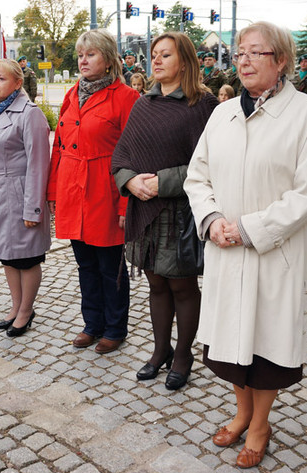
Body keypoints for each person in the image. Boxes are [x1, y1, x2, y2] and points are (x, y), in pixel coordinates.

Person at [183, 21, 307, 469]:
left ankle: (260, 422)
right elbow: (197, 174)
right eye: (239, 53)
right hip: (225, 249)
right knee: (230, 342)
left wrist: (248, 229)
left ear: (280, 60)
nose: (243, 60)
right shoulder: (222, 113)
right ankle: (241, 410)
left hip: (274, 253)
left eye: (255, 53)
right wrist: (210, 220)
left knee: (266, 346)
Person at [112, 31, 219, 390]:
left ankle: (185, 354)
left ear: (185, 62)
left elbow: (212, 164)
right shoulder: (144, 104)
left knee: (183, 286)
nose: (156, 61)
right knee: (156, 285)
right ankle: (161, 351)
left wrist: (164, 182)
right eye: (154, 54)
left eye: (166, 55)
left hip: (181, 214)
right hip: (144, 211)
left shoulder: (202, 106)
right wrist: (129, 182)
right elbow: (121, 155)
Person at [47, 29, 140, 354]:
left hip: (106, 190)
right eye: (80, 55)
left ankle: (115, 327)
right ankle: (92, 324)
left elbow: (135, 156)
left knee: (109, 264)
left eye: (91, 55)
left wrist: (126, 205)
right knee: (85, 264)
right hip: (73, 188)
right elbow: (59, 146)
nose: (83, 61)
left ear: (108, 59)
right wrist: (54, 191)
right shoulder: (72, 94)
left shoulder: (126, 97)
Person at [0, 59, 51, 337]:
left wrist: (33, 208)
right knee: (7, 256)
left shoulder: (29, 114)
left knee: (26, 257)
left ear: (18, 83)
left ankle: (26, 310)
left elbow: (39, 164)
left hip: (19, 193)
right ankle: (16, 305)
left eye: (1, 79)